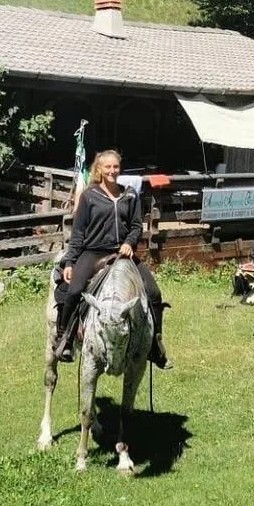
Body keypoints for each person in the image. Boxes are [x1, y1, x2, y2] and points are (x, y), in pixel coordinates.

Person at [54, 149, 171, 369]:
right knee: (74, 290)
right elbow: (78, 232)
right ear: (99, 169)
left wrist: (129, 242)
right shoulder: (90, 196)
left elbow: (136, 226)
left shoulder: (130, 195)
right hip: (93, 252)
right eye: (107, 167)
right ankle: (65, 339)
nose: (112, 171)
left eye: (115, 167)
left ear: (120, 168)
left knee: (154, 293)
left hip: (122, 254)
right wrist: (70, 262)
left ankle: (155, 345)